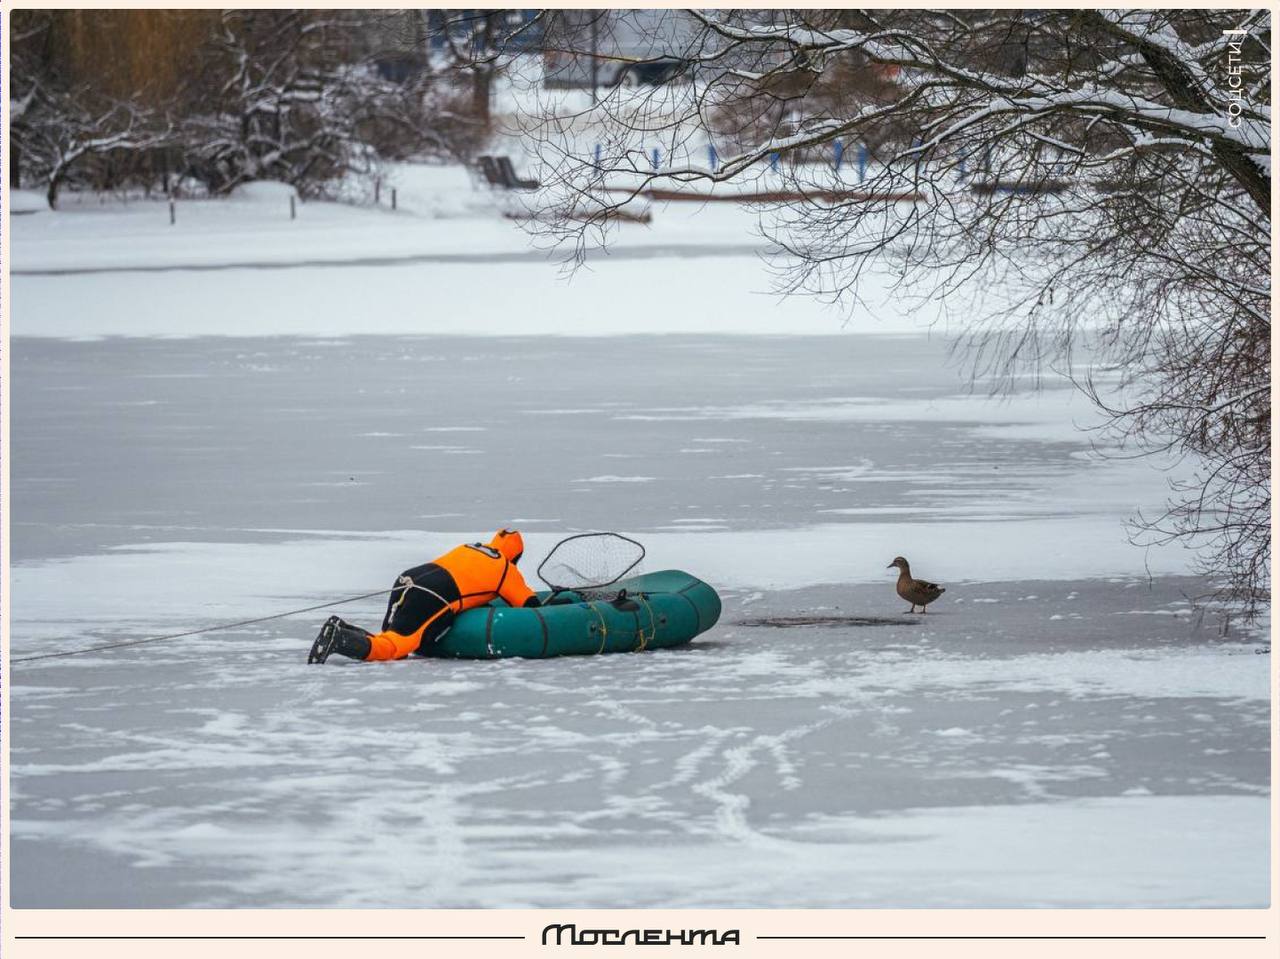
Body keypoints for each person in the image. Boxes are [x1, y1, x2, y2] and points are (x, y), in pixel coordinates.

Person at [308, 528, 540, 664]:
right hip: (436, 594)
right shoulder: (506, 569)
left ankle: (341, 628)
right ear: (515, 556)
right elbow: (529, 604)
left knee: (389, 637)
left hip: (409, 578)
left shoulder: (470, 547)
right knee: (392, 649)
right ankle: (339, 638)